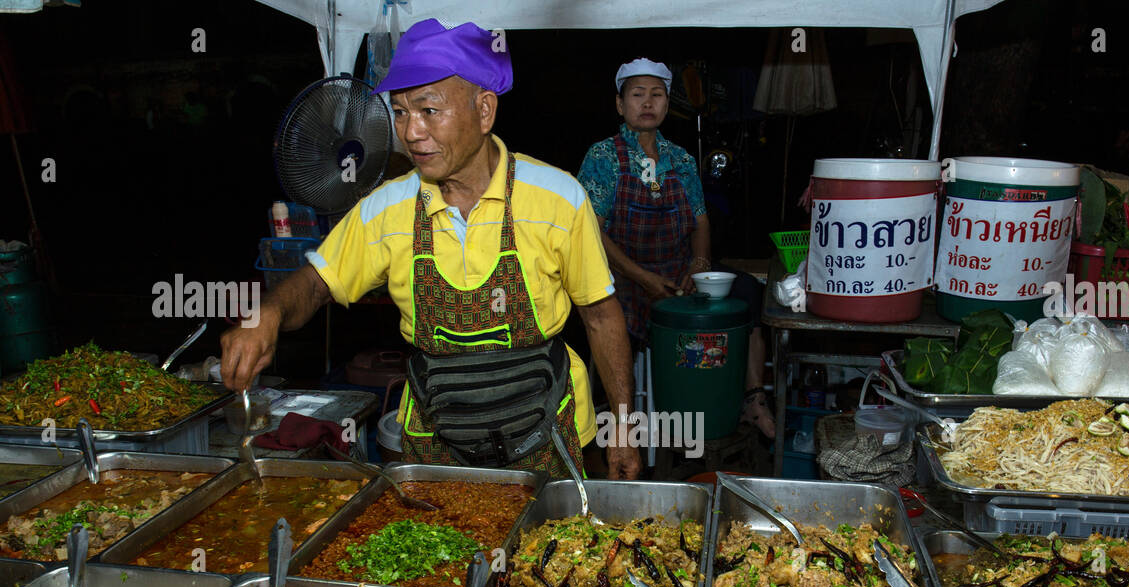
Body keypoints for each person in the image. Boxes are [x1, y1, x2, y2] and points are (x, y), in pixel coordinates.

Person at [221, 20, 639, 479]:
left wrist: (623, 426)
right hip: (435, 444)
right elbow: (317, 282)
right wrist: (271, 314)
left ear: (484, 111)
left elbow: (601, 316)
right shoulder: (388, 209)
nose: (410, 132)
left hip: (547, 432)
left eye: (428, 110)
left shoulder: (558, 198)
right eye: (399, 112)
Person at [578, 58, 775, 438]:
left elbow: (701, 220)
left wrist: (699, 264)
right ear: (620, 105)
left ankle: (752, 399)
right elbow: (592, 232)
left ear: (668, 104)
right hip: (622, 276)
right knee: (606, 314)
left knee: (748, 292)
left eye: (657, 95)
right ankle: (620, 428)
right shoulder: (602, 157)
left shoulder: (682, 160)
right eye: (637, 95)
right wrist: (641, 276)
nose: (647, 103)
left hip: (678, 273)